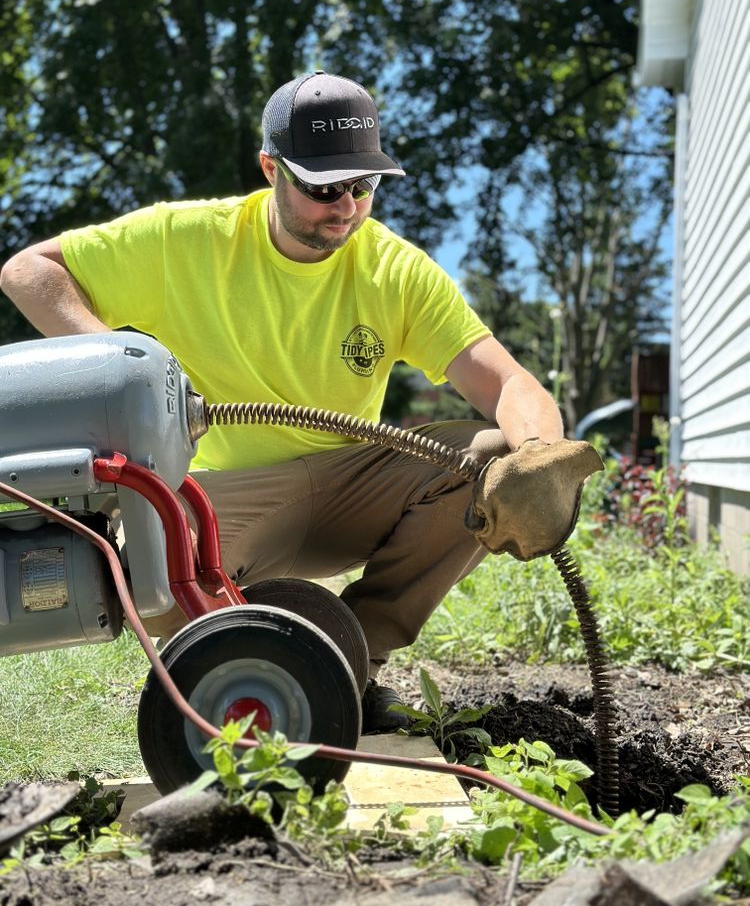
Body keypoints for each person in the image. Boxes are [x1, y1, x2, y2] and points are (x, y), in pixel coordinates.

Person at [0, 70, 564, 733]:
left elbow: (509, 385)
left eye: (365, 186)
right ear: (271, 168)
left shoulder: (396, 272)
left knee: (486, 457)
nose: (348, 207)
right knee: (145, 565)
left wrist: (537, 459)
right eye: (325, 188)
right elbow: (28, 272)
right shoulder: (190, 240)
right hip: (218, 500)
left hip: (348, 490)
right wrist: (126, 371)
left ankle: (355, 663)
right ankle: (245, 678)